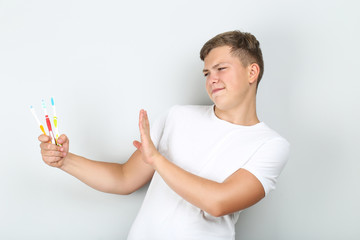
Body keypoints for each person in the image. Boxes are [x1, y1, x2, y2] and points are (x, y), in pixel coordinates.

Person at [39, 30, 290, 240]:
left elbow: (217, 202)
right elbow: (124, 179)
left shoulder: (270, 145)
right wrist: (65, 160)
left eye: (221, 68)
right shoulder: (178, 117)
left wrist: (157, 159)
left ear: (252, 72)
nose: (212, 79)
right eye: (206, 73)